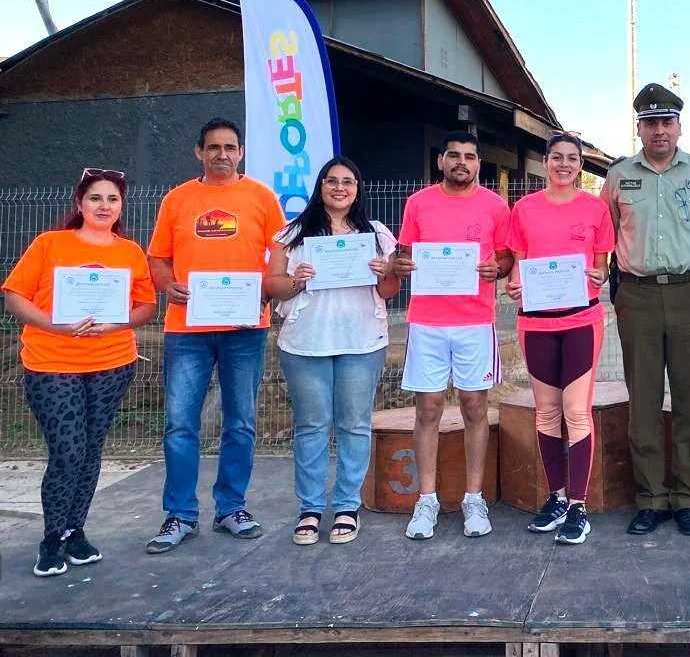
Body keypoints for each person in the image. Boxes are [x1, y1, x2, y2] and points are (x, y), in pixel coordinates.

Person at [3, 169, 157, 577]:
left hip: (112, 363)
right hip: (52, 363)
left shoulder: (130, 252)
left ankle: (75, 532)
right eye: (95, 198)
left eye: (112, 199)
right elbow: (14, 295)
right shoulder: (49, 244)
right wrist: (54, 324)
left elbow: (146, 307)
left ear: (121, 206)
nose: (104, 206)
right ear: (79, 203)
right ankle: (51, 539)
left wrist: (116, 324)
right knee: (67, 451)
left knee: (90, 451)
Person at [145, 119, 286, 554]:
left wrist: (266, 289)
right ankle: (180, 514)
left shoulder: (262, 197)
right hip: (187, 329)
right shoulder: (177, 199)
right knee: (180, 424)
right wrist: (168, 286)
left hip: (245, 328)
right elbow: (157, 258)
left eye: (229, 147)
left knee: (240, 422)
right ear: (198, 152)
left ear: (241, 152)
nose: (221, 154)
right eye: (213, 147)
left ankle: (231, 508)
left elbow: (280, 253)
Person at [600, 83, 690, 537]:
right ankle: (650, 497)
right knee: (644, 399)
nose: (659, 130)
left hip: (689, 292)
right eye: (650, 123)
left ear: (679, 126)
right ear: (639, 129)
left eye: (666, 121)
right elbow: (606, 232)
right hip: (638, 295)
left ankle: (687, 498)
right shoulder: (618, 176)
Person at [265, 156, 401, 546]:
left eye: (347, 181)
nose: (340, 187)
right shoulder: (292, 233)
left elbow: (389, 292)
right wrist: (296, 281)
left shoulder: (376, 234)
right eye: (331, 181)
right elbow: (273, 286)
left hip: (361, 342)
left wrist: (385, 273)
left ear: (357, 188)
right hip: (306, 343)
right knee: (311, 425)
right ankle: (310, 508)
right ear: (320, 187)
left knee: (354, 424)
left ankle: (346, 506)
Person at [389, 131, 512, 541]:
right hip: (427, 322)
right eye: (454, 155)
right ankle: (426, 499)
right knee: (428, 409)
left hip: (475, 322)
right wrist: (402, 265)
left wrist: (499, 269)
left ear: (478, 163)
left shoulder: (495, 205)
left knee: (475, 407)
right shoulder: (418, 202)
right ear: (441, 160)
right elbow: (404, 253)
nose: (462, 162)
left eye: (470, 156)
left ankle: (473, 498)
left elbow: (506, 258)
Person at [505, 134, 616, 545]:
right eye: (557, 157)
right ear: (545, 161)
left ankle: (579, 507)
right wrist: (514, 285)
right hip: (535, 323)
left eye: (572, 158)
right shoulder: (524, 208)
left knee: (576, 411)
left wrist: (600, 275)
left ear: (580, 165)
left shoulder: (595, 208)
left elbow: (602, 267)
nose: (564, 164)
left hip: (581, 320)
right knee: (547, 412)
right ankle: (556, 497)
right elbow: (517, 266)